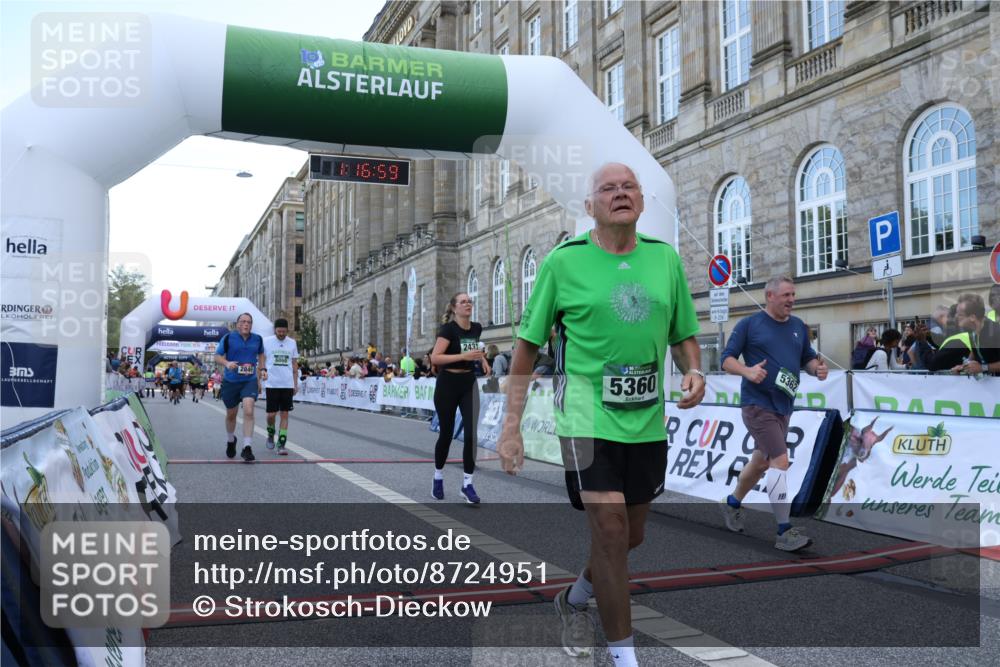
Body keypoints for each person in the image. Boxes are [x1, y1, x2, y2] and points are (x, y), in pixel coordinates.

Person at [498, 163, 705, 666]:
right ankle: (624, 658)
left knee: (630, 536)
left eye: (629, 186)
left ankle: (575, 596)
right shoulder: (563, 263)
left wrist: (694, 371)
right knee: (610, 532)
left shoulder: (664, 259)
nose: (620, 194)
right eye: (608, 189)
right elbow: (526, 347)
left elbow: (683, 335)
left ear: (642, 200)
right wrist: (511, 428)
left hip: (646, 420)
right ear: (590, 206)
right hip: (584, 418)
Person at [720, 275, 828, 551]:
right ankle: (784, 531)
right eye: (786, 295)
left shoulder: (798, 326)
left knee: (760, 463)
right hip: (757, 405)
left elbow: (806, 358)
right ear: (770, 296)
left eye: (793, 295)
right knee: (780, 461)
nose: (792, 300)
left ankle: (732, 502)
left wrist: (816, 368)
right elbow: (726, 360)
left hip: (783, 406)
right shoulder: (749, 325)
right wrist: (747, 371)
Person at [430, 292, 490, 504]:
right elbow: (435, 358)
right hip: (447, 383)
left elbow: (473, 349)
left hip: (468, 383)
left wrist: (482, 360)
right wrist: (463, 356)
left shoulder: (476, 328)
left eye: (469, 301)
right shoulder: (448, 330)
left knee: (471, 435)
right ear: (454, 308)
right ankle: (438, 477)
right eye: (463, 301)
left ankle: (467, 484)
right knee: (446, 434)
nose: (468, 304)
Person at [215, 313, 266, 463]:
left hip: (249, 380)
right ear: (237, 324)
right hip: (231, 381)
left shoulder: (257, 339)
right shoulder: (228, 338)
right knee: (231, 414)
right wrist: (227, 363)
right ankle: (231, 440)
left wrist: (263, 369)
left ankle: (247, 447)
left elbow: (261, 354)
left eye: (249, 322)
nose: (246, 324)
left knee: (249, 410)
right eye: (243, 321)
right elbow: (217, 356)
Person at [929, 293, 1000, 375]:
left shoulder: (995, 332)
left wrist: (983, 368)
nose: (955, 316)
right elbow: (975, 351)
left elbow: (981, 366)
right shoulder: (974, 331)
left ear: (972, 317)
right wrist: (963, 367)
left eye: (960, 314)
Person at [263, 318, 299, 456]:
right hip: (272, 383)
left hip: (287, 383)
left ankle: (281, 444)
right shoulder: (266, 342)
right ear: (275, 330)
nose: (282, 334)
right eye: (279, 332)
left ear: (287, 330)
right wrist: (260, 377)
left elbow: (294, 364)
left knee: (285, 413)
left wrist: (295, 384)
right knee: (271, 415)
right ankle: (270, 432)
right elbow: (261, 360)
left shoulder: (292, 343)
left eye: (284, 332)